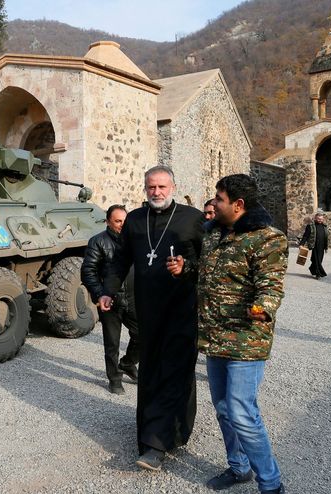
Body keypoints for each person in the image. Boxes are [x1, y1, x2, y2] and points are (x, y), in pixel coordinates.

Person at [169, 174, 287, 494]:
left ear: (238, 205)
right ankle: (239, 467)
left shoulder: (268, 239)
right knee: (223, 409)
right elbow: (206, 274)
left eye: (219, 199)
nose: (214, 203)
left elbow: (271, 285)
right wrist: (186, 268)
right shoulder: (214, 235)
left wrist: (263, 306)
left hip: (246, 340)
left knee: (241, 411)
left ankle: (271, 484)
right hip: (215, 336)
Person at [100, 165, 205, 471]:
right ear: (145, 189)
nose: (156, 193)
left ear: (173, 187)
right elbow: (120, 261)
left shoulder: (192, 218)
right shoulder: (134, 219)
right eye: (151, 188)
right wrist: (107, 290)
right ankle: (165, 429)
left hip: (182, 308)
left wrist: (185, 267)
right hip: (147, 309)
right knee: (151, 369)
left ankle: (157, 444)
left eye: (162, 187)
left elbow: (207, 263)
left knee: (175, 369)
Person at [81, 204, 140, 395]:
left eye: (125, 221)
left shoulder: (135, 241)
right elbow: (88, 272)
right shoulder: (97, 242)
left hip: (133, 299)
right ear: (108, 221)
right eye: (118, 221)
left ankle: (128, 364)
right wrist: (100, 295)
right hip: (110, 301)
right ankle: (114, 379)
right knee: (112, 343)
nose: (122, 225)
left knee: (143, 335)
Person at [300, 210, 329, 279]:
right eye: (319, 219)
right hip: (314, 245)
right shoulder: (310, 226)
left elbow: (326, 237)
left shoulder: (324, 226)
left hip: (322, 246)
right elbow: (305, 236)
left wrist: (326, 247)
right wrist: (302, 244)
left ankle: (312, 269)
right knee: (317, 259)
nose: (320, 220)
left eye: (321, 219)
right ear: (315, 218)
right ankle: (319, 274)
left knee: (318, 259)